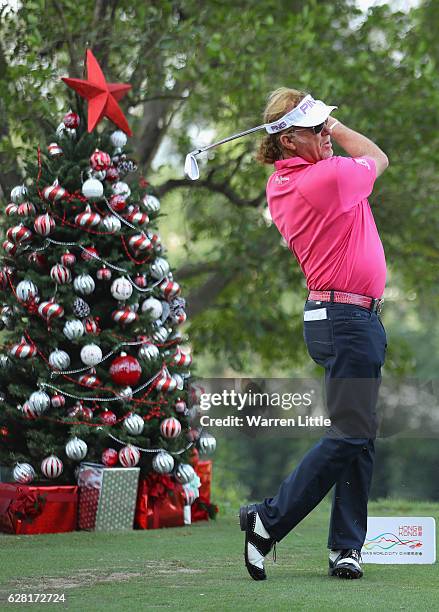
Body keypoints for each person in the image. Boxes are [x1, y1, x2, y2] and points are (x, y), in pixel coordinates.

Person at [239, 88, 389, 581]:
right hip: (345, 320)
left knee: (358, 435)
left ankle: (345, 548)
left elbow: (351, 154)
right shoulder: (322, 179)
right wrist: (335, 128)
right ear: (286, 142)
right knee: (352, 431)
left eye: (327, 127)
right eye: (317, 129)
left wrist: (317, 120)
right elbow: (376, 157)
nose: (328, 135)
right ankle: (268, 519)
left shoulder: (289, 180)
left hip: (343, 319)